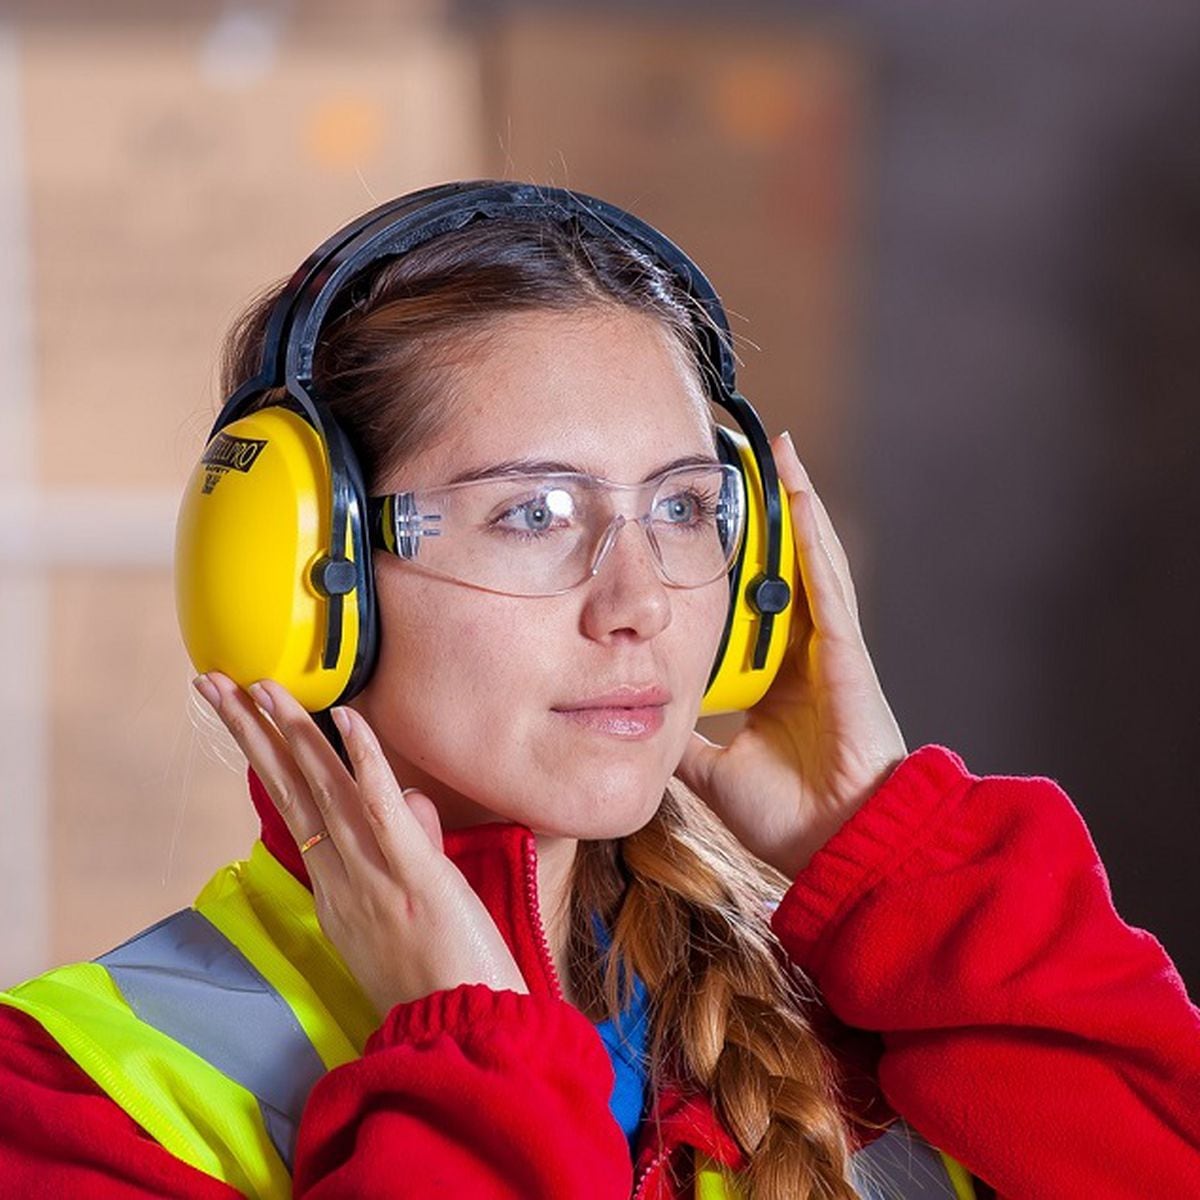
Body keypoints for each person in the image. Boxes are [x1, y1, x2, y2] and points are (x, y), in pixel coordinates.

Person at [1, 183, 1197, 1200]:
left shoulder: (894, 1029)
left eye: (682, 508)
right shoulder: (75, 1096)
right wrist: (469, 1059)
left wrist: (909, 867)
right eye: (534, 513)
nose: (640, 601)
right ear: (303, 575)